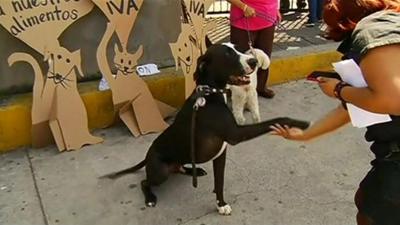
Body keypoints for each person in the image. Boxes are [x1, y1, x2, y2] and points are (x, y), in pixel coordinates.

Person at [271, 0, 400, 224]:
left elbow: (391, 100)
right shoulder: (391, 26)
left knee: (371, 212)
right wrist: (306, 134)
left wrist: (340, 89)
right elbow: (362, 104)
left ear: (344, 22)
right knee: (365, 198)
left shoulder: (372, 31)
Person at [228, 0, 281, 98]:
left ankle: (260, 87)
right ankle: (238, 94)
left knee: (264, 57)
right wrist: (243, 7)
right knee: (240, 60)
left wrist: (276, 9)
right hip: (243, 19)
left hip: (268, 18)